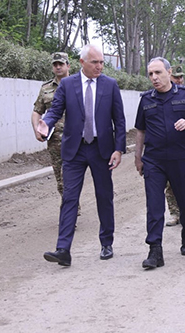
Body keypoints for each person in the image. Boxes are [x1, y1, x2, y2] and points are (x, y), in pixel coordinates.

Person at [38, 44, 126, 267]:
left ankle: (106, 243)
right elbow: (55, 111)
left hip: (101, 150)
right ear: (82, 62)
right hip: (74, 150)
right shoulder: (68, 84)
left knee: (104, 196)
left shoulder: (110, 85)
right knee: (69, 198)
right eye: (95, 62)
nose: (99, 66)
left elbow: (119, 120)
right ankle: (63, 249)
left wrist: (118, 149)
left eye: (101, 62)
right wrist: (45, 125)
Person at [134, 57, 185, 268]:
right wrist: (138, 157)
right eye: (150, 74)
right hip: (154, 160)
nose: (154, 78)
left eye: (158, 72)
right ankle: (155, 250)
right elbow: (140, 130)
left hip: (179, 158)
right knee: (154, 205)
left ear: (169, 72)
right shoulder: (146, 100)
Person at [31, 52, 70, 198]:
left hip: (76, 139)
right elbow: (37, 111)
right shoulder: (46, 88)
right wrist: (37, 130)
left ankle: (71, 204)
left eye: (61, 64)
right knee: (60, 179)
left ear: (68, 65)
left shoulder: (77, 85)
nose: (58, 67)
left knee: (72, 176)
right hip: (55, 141)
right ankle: (69, 206)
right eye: (55, 64)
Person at [163, 64, 185, 227]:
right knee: (168, 184)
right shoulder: (159, 95)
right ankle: (174, 213)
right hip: (164, 147)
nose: (179, 80)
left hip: (182, 147)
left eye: (180, 77)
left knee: (182, 181)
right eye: (176, 77)